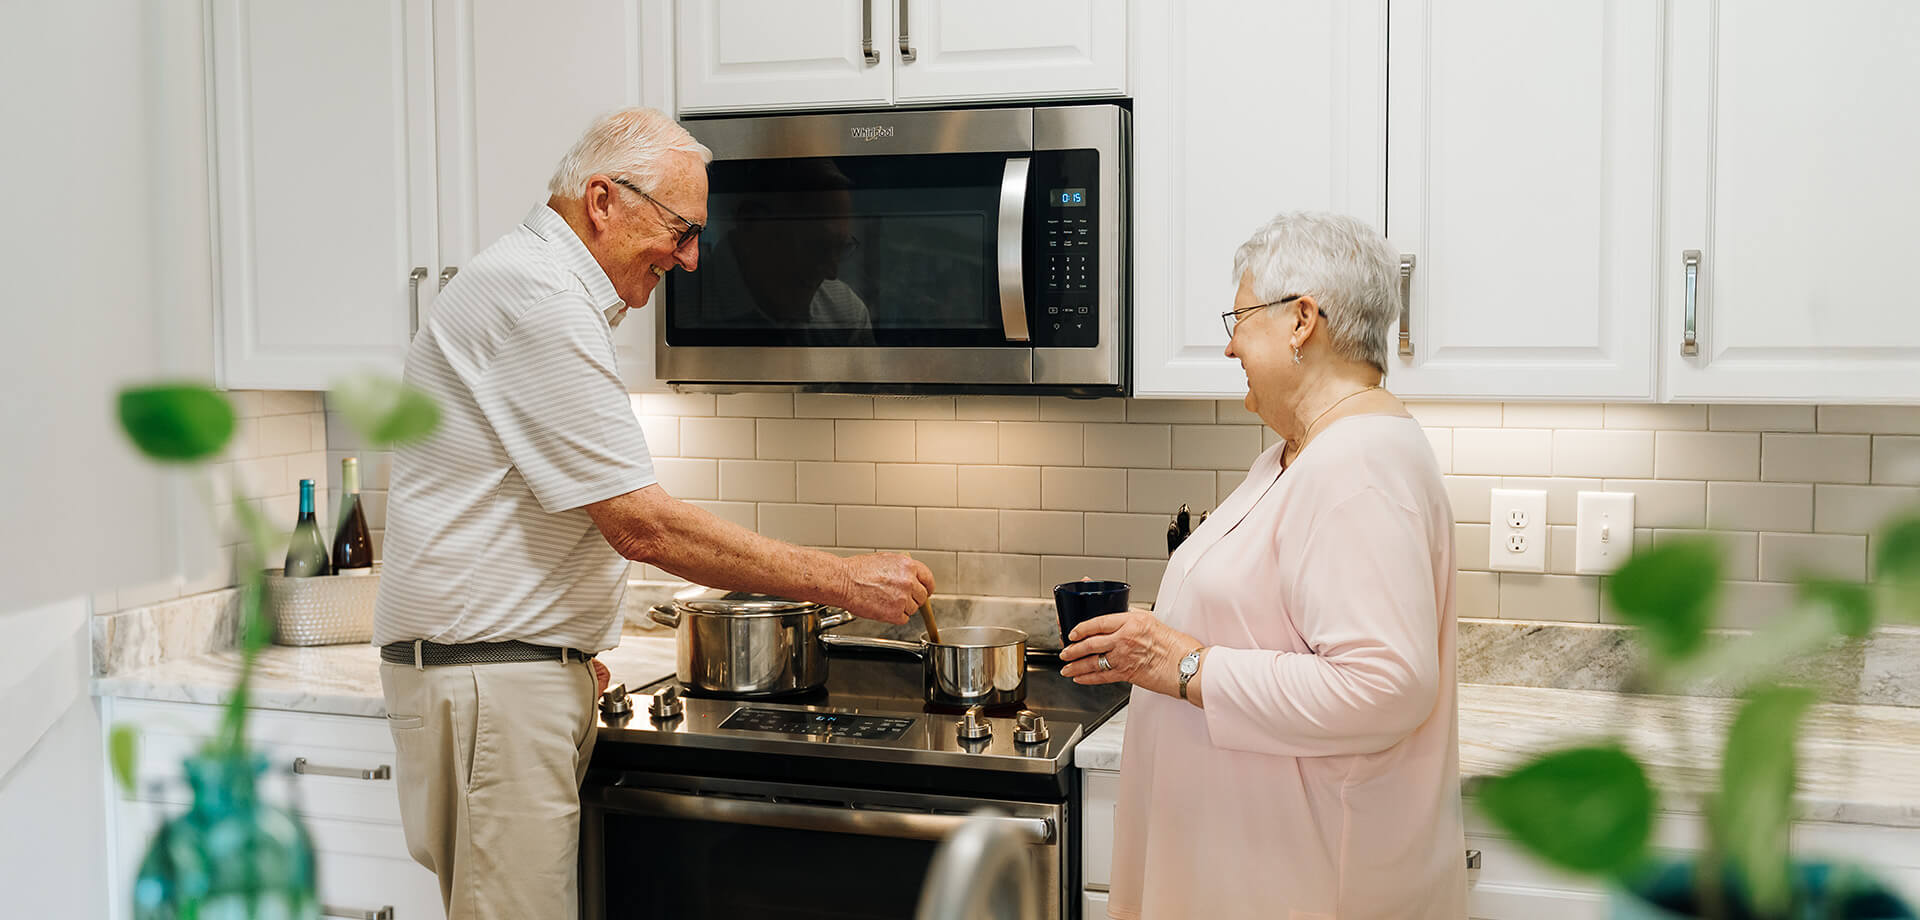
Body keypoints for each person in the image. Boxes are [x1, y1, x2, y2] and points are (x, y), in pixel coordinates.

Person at [373, 107, 934, 920]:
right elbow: (645, 525)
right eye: (680, 228)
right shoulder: (539, 298)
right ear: (602, 199)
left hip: (498, 679)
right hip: (488, 690)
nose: (694, 257)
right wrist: (841, 581)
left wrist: (557, 653)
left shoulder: (538, 286)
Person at [1059, 211, 1465, 919]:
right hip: (1248, 865)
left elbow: (1385, 686)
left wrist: (1185, 666)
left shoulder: (1359, 463)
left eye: (1240, 316)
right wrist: (1159, 642)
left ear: (1302, 319)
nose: (1228, 346)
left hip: (1303, 882)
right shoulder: (1299, 453)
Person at [691, 158, 874, 344]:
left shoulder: (847, 313)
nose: (831, 272)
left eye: (841, 247)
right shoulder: (679, 303)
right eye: (817, 246)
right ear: (751, 224)